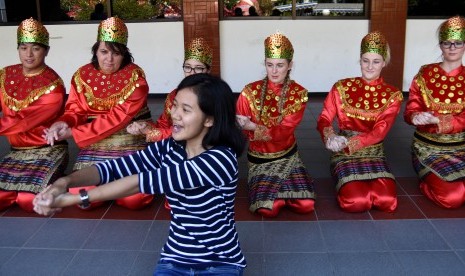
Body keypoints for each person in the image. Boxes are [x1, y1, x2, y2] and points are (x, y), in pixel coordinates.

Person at [34, 73, 247, 275]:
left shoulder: (221, 159)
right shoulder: (171, 147)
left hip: (220, 263)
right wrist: (63, 182)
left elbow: (143, 182)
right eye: (174, 106)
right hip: (174, 260)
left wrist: (74, 198)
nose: (175, 115)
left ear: (209, 120)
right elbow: (114, 168)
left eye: (186, 109)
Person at [43, 17, 153, 210]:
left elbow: (118, 118)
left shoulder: (136, 77)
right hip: (95, 140)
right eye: (103, 52)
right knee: (83, 198)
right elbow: (75, 110)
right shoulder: (82, 75)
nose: (109, 59)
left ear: (124, 55)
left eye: (116, 53)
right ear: (95, 51)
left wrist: (75, 133)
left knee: (134, 200)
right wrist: (64, 122)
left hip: (127, 136)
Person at [317, 31, 403, 213]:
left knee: (386, 201)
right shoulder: (341, 87)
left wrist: (351, 143)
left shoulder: (392, 94)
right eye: (365, 60)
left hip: (374, 153)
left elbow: (380, 131)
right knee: (356, 201)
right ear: (360, 60)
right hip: (343, 153)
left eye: (376, 61)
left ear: (384, 62)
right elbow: (324, 118)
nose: (370, 67)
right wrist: (330, 136)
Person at [236, 32, 316, 218]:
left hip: (287, 156)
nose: (274, 71)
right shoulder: (249, 92)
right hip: (260, 158)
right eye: (269, 64)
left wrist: (253, 126)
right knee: (268, 209)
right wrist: (242, 125)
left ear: (290, 66)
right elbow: (242, 126)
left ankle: (283, 187)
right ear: (264, 63)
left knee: (306, 204)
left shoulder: (298, 94)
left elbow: (284, 131)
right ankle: (266, 187)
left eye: (280, 65)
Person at [0, 18, 68, 212]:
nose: (29, 54)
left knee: (27, 200)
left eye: (36, 48)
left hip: (47, 149)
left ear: (46, 50)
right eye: (23, 48)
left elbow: (22, 121)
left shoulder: (53, 84)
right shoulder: (6, 75)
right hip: (16, 151)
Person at [404, 16, 465, 209]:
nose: (452, 47)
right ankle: (426, 182)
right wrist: (416, 116)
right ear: (441, 46)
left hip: (461, 148)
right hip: (428, 149)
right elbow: (410, 110)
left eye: (458, 43)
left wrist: (440, 120)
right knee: (453, 198)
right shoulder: (424, 74)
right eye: (447, 43)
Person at [126, 37, 213, 143]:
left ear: (208, 70)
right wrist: (144, 127)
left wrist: (152, 133)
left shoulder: (214, 95)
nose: (192, 73)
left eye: (199, 68)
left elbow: (199, 132)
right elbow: (163, 125)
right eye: (187, 67)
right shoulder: (174, 95)